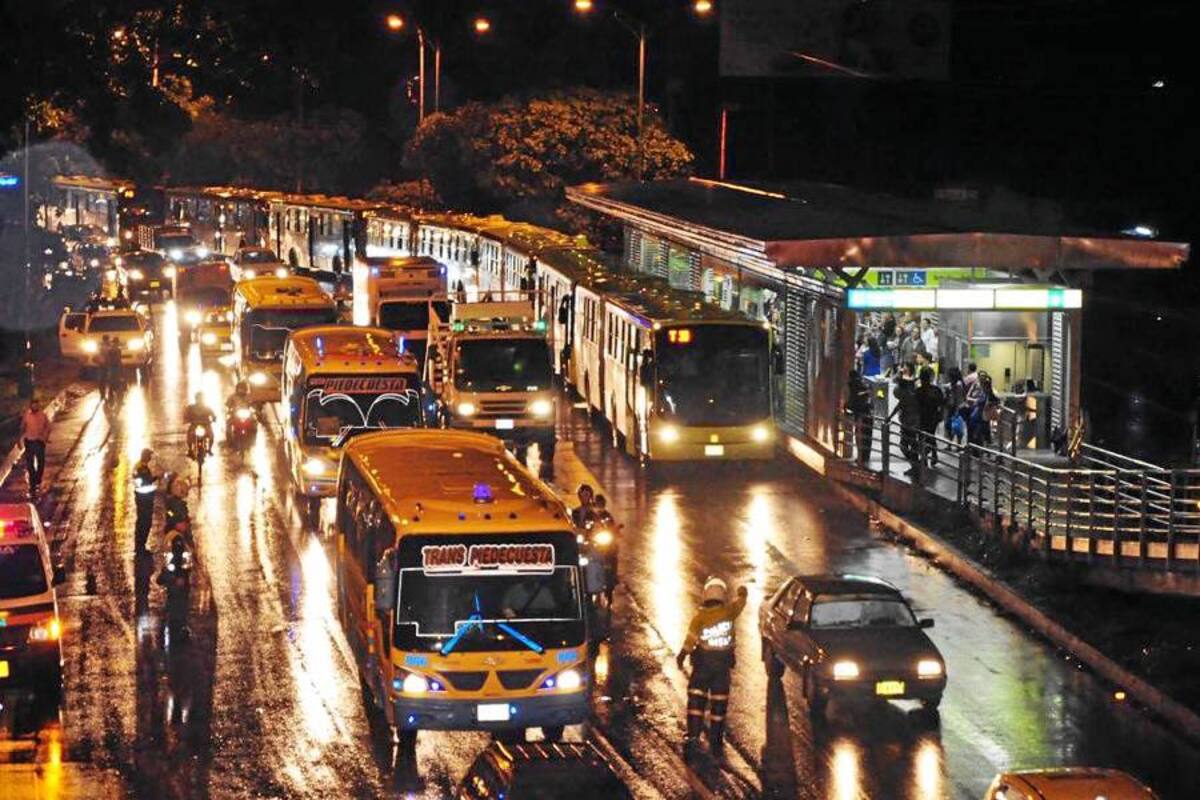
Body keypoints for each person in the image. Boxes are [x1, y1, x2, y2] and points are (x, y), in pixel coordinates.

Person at [676, 577, 748, 759]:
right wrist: (742, 593)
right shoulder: (729, 612)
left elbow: (690, 640)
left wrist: (682, 655)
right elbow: (740, 604)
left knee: (696, 701)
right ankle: (716, 737)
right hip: (722, 668)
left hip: (702, 667)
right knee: (719, 703)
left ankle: (693, 735)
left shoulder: (699, 618)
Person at [891, 364, 921, 476]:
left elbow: (898, 407)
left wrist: (889, 418)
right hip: (910, 423)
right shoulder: (910, 394)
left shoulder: (906, 396)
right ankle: (915, 465)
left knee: (906, 445)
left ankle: (916, 465)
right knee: (911, 445)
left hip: (909, 424)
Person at [20, 398, 51, 498]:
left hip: (39, 441)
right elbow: (22, 428)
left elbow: (48, 427)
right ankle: (32, 481)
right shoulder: (27, 416)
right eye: (33, 405)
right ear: (30, 406)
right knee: (30, 463)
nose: (34, 407)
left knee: (41, 462)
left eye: (36, 405)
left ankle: (38, 478)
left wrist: (45, 437)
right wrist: (19, 440)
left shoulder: (43, 415)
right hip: (29, 441)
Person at [915, 366, 945, 466]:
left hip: (923, 417)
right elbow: (942, 403)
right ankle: (933, 454)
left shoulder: (918, 391)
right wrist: (940, 415)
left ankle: (925, 458)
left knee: (922, 437)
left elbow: (916, 406)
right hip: (933, 417)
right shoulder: (936, 390)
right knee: (931, 436)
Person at [133, 448, 159, 554]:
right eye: (149, 456)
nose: (150, 458)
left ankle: (141, 546)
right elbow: (144, 481)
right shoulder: (141, 468)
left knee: (144, 522)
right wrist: (152, 480)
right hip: (144, 499)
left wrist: (155, 478)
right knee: (144, 522)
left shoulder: (142, 467)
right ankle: (140, 546)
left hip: (144, 498)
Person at [846, 369, 873, 465]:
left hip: (860, 414)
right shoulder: (863, 385)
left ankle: (861, 458)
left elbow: (852, 399)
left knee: (860, 436)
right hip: (867, 413)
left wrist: (847, 407)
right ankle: (865, 457)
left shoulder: (854, 386)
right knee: (866, 437)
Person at [943, 366, 967, 446]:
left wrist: (957, 410)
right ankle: (951, 444)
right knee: (950, 426)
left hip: (957, 408)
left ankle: (957, 444)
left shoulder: (959, 385)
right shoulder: (953, 385)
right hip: (951, 407)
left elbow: (958, 399)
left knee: (957, 426)